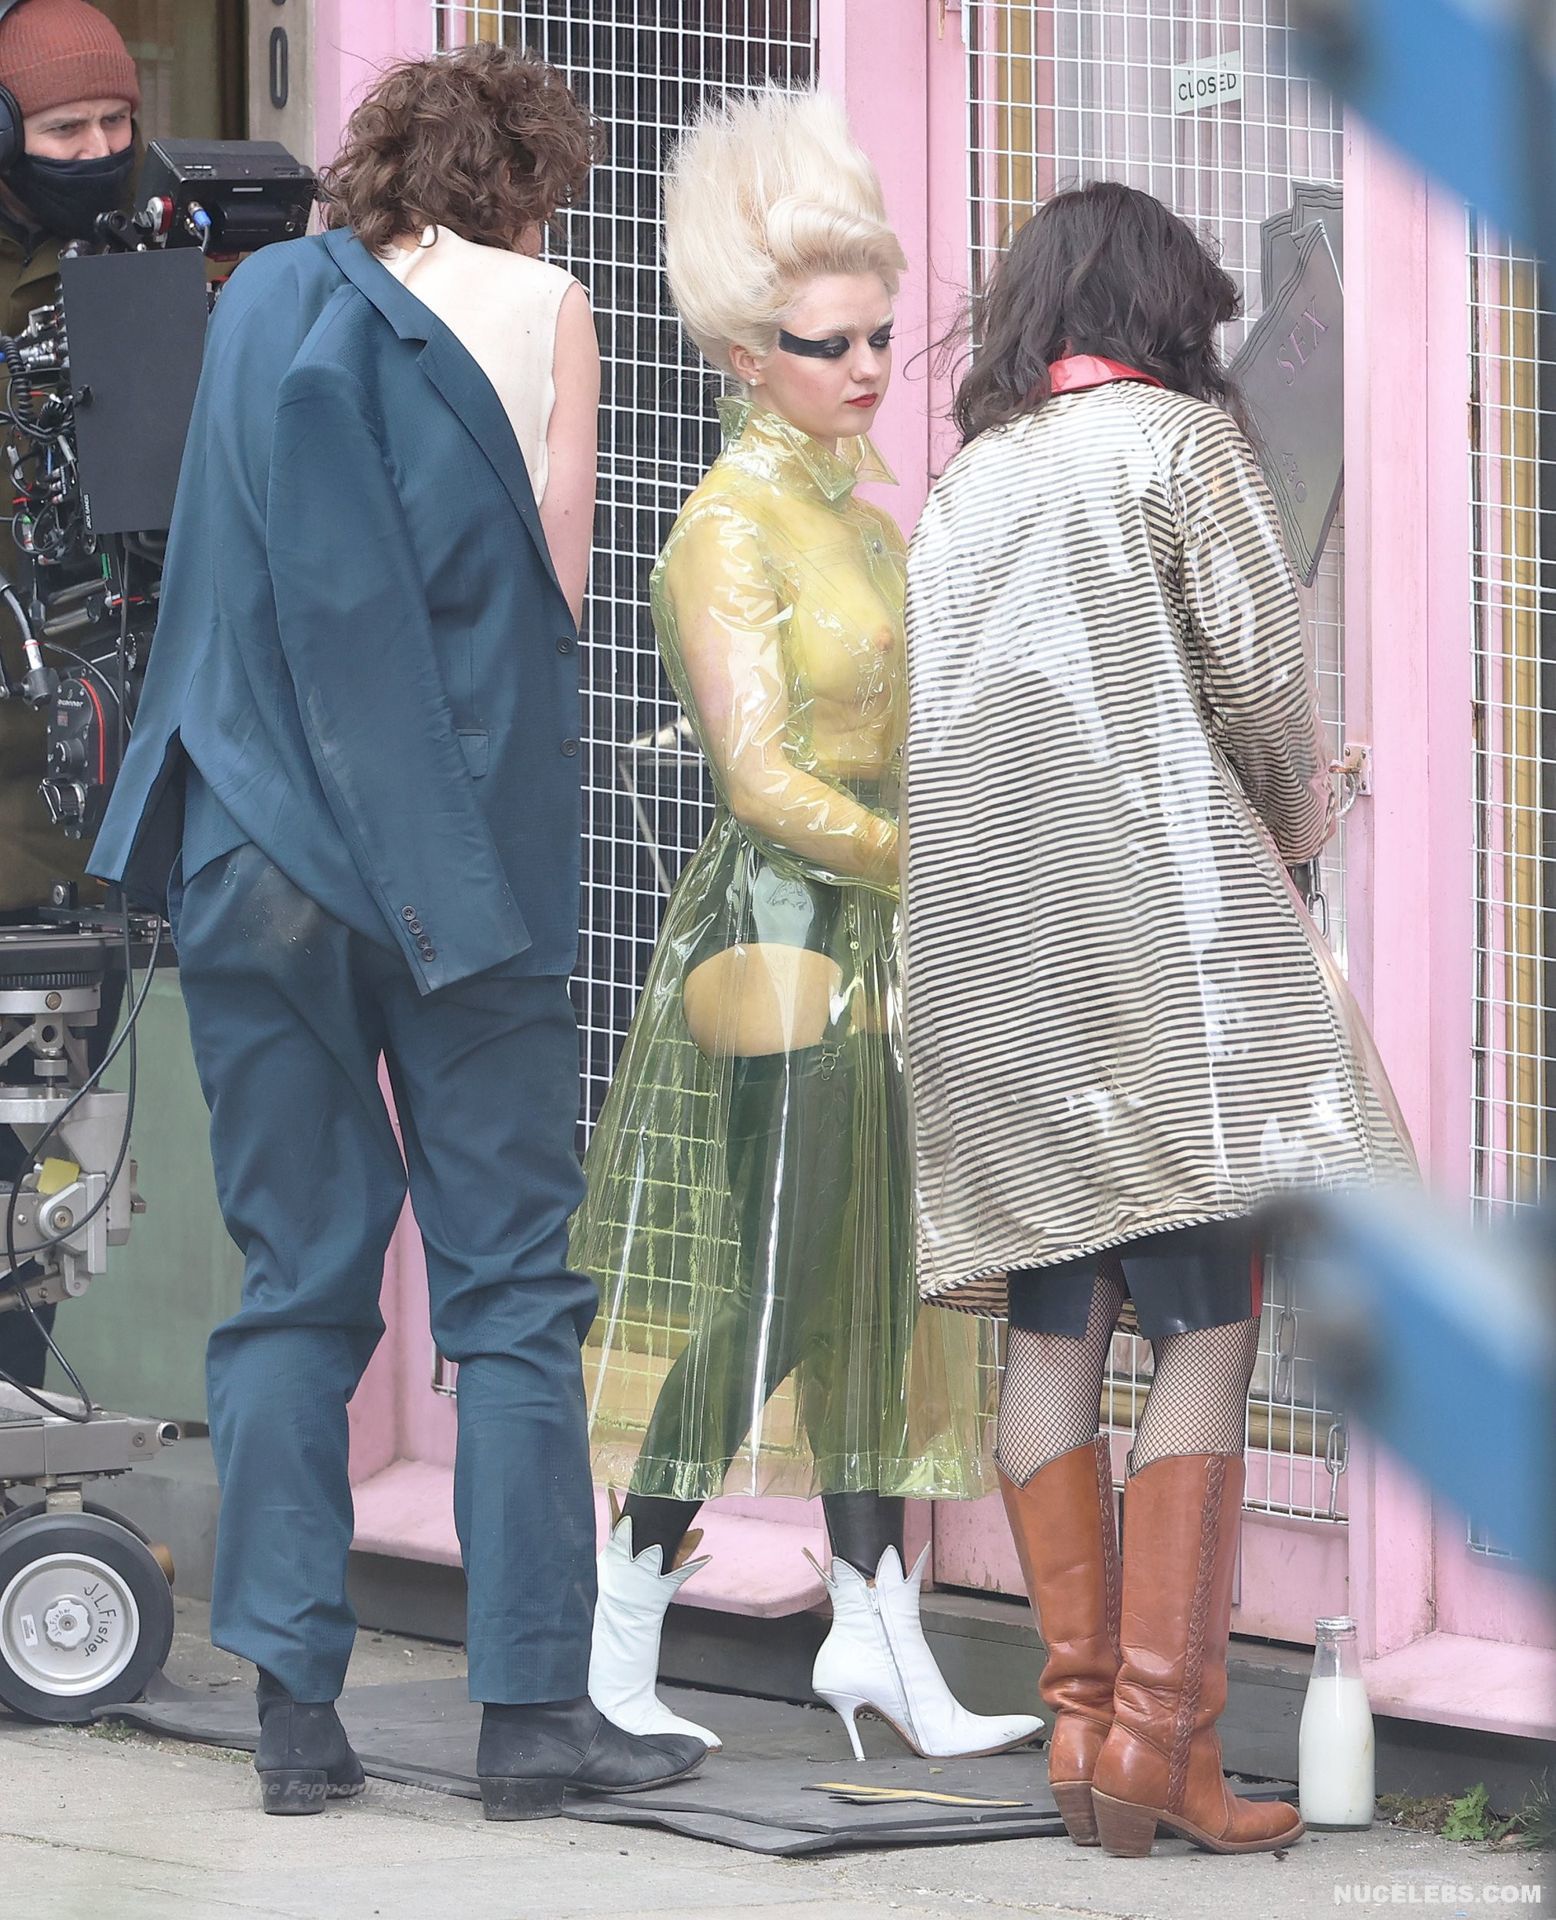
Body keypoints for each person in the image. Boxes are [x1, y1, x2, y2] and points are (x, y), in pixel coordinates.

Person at [87, 45, 704, 1820]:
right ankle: (532, 1719)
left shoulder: (255, 302)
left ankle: (294, 1716)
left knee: (294, 1285)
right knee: (508, 1290)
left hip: (251, 853)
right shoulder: (546, 305)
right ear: (527, 185)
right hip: (462, 864)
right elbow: (553, 591)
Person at [901, 182, 1415, 1857]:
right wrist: (1300, 819)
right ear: (1161, 308)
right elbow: (1261, 690)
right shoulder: (1184, 450)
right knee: (1206, 1318)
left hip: (990, 963)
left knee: (1055, 1321)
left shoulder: (967, 481)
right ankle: (1162, 1746)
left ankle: (1079, 1735)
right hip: (1162, 951)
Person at [574, 89, 1041, 1764]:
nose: (865, 368)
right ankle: (625, 1612)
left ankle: (875, 1629)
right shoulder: (726, 526)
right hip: (776, 935)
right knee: (778, 1287)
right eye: (824, 343)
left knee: (877, 1291)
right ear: (743, 355)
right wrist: (938, 857)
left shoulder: (863, 520)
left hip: (884, 929)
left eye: (879, 337)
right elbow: (760, 777)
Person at [0, 0, 138, 1390]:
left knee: (51, 1138)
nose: (95, 150)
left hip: (83, 774)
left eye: (113, 122)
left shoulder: (159, 256)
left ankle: (26, 1397)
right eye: (62, 127)